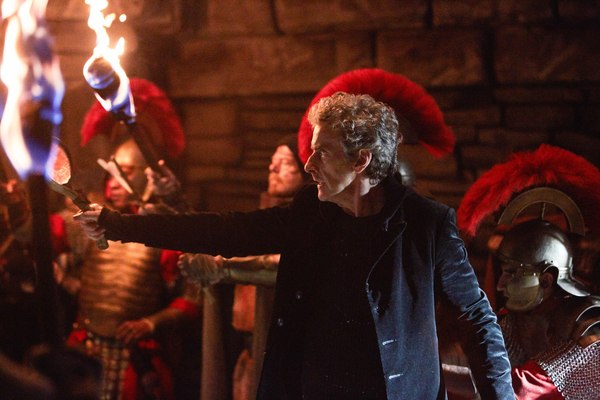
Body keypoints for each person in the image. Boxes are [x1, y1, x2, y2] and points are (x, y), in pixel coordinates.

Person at [75, 90, 514, 399]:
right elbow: (225, 231)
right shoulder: (311, 214)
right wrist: (118, 225)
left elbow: (477, 319)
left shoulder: (426, 225)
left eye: (323, 152)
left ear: (361, 160)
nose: (308, 164)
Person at [457, 144, 600, 400]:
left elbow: (521, 387)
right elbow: (480, 365)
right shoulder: (513, 319)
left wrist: (433, 373)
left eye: (512, 273)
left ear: (546, 279)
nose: (499, 285)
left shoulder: (588, 324)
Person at [178, 133, 311, 400]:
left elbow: (283, 265)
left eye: (285, 163)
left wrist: (221, 267)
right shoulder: (261, 215)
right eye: (273, 161)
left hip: (288, 353)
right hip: (248, 348)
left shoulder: (308, 222)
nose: (272, 168)